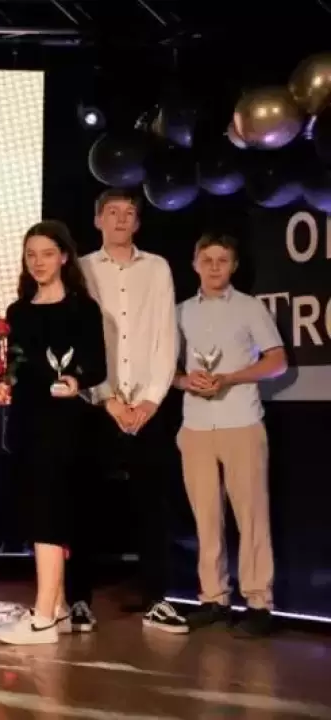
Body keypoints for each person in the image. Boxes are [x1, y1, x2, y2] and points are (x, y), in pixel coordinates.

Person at [0, 221, 107, 645]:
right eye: (30, 255)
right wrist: (4, 385)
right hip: (26, 423)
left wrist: (76, 380)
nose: (38, 262)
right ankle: (56, 609)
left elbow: (97, 366)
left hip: (65, 425)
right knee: (39, 513)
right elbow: (18, 368)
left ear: (64, 256)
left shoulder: (83, 308)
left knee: (51, 516)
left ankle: (42, 618)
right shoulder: (19, 312)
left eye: (46, 253)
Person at [78, 189, 186, 634]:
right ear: (98, 219)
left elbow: (166, 335)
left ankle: (158, 599)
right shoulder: (81, 268)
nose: (121, 220)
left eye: (129, 213)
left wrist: (151, 400)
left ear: (138, 223)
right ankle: (77, 599)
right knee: (84, 504)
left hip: (147, 407)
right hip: (98, 403)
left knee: (152, 506)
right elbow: (82, 337)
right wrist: (106, 397)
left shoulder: (157, 267)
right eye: (112, 212)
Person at [174, 233, 285, 638]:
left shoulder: (249, 307)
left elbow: (277, 361)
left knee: (252, 516)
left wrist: (230, 378)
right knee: (206, 518)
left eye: (222, 260)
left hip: (242, 422)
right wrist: (185, 381)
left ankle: (258, 602)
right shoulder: (180, 312)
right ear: (195, 264)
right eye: (207, 259)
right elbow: (166, 370)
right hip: (196, 427)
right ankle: (214, 598)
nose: (215, 267)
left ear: (234, 265)